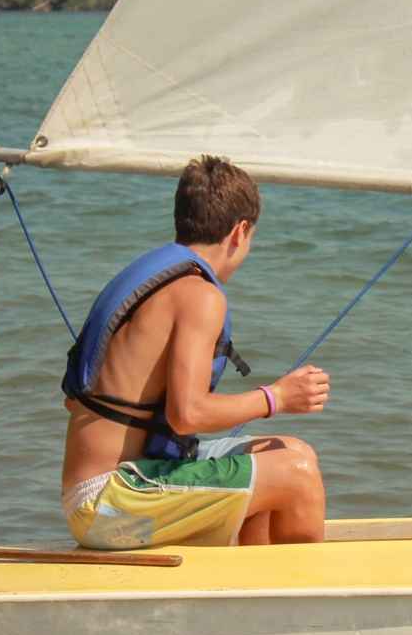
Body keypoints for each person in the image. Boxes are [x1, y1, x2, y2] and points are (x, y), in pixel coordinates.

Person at [59, 155, 332, 549]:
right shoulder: (200, 296)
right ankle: (300, 603)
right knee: (298, 473)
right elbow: (186, 415)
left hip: (112, 489)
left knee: (288, 450)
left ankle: (251, 588)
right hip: (109, 506)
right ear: (239, 232)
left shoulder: (157, 277)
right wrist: (278, 397)